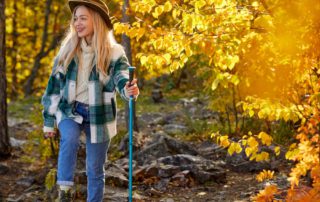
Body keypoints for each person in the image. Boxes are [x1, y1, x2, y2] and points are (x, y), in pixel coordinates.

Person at [41, 0, 139, 201]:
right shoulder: (67, 51)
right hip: (70, 110)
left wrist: (128, 89)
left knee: (95, 168)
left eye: (83, 18)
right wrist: (49, 121)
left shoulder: (113, 52)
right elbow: (53, 87)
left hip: (99, 115)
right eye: (75, 19)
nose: (77, 23)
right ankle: (65, 191)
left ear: (97, 20)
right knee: (69, 138)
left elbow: (121, 77)